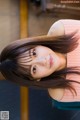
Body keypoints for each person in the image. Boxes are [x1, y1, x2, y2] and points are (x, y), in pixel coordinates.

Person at [0, 19, 80, 110]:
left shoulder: (61, 30)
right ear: (35, 79)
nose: (42, 61)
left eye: (34, 53)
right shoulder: (59, 92)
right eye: (34, 69)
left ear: (35, 44)